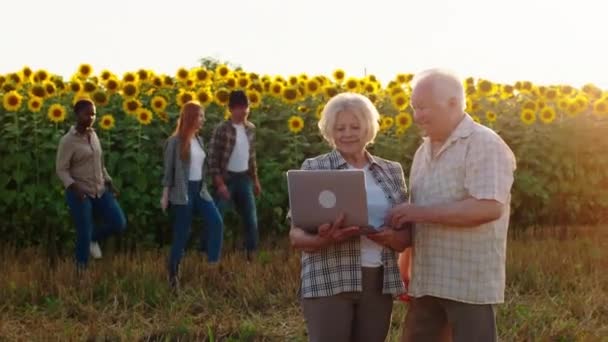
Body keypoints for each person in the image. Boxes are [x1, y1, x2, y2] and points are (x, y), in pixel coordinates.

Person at [386, 69, 517, 342]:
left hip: (467, 281)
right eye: (414, 108)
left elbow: (488, 207)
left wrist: (420, 213)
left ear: (453, 103)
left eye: (423, 107)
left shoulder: (483, 143)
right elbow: (416, 209)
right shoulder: (424, 151)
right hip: (428, 278)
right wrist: (405, 264)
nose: (417, 115)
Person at [289, 92, 412, 342]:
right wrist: (326, 239)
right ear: (330, 131)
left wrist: (388, 237)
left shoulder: (391, 171)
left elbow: (405, 238)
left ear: (368, 128)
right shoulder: (314, 168)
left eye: (355, 126)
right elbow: (296, 235)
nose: (348, 133)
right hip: (328, 277)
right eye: (340, 127)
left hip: (378, 281)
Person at [56, 98, 126, 271]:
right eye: (87, 113)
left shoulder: (93, 135)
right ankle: (81, 273)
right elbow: (61, 169)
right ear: (77, 114)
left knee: (119, 223)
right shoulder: (68, 141)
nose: (91, 117)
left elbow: (100, 164)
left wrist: (109, 181)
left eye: (93, 114)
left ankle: (93, 239)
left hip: (100, 189)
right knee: (83, 232)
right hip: (80, 193)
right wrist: (74, 186)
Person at [161, 101, 223, 290]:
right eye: (201, 116)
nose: (203, 119)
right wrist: (165, 195)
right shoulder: (174, 142)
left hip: (200, 191)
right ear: (191, 117)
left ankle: (212, 265)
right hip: (182, 191)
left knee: (216, 222)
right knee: (182, 233)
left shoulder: (199, 140)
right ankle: (173, 274)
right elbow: (168, 171)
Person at [208, 90, 261, 261]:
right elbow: (212, 158)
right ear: (230, 109)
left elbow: (251, 156)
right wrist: (219, 184)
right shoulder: (221, 129)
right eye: (239, 107)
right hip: (227, 179)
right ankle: (209, 252)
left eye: (246, 107)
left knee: (250, 218)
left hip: (244, 178)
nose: (243, 111)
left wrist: (255, 180)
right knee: (217, 217)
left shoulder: (250, 129)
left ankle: (251, 253)